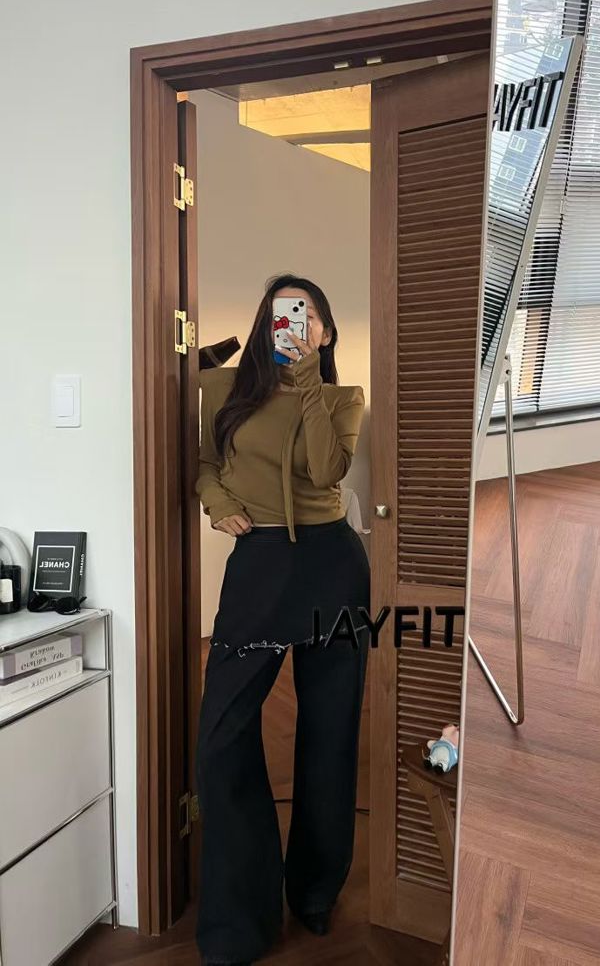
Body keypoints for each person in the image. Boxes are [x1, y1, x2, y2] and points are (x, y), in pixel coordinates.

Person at [194, 273, 370, 965]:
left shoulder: (342, 399)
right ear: (263, 326)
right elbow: (205, 463)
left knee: (330, 733)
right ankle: (240, 921)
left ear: (325, 331)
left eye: (305, 316)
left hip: (332, 569)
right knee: (223, 735)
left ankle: (316, 892)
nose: (291, 325)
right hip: (259, 566)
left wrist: (306, 382)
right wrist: (217, 504)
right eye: (279, 316)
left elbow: (326, 472)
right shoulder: (223, 389)